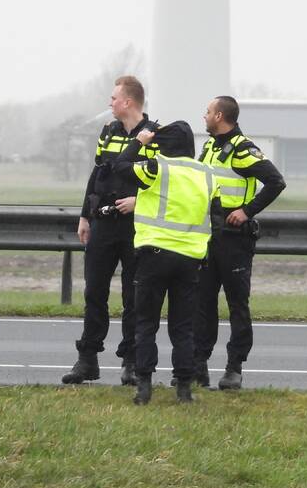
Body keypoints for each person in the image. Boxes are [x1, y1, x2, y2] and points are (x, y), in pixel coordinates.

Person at [107, 120, 222, 405]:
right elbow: (216, 215)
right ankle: (184, 389)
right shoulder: (208, 174)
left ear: (165, 146)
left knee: (146, 322)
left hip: (154, 256)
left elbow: (119, 166)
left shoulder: (158, 168)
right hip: (190, 259)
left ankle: (144, 386)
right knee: (183, 327)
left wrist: (140, 142)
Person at [61, 76, 160, 386]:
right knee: (94, 292)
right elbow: (97, 174)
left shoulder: (157, 135)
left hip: (137, 227)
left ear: (128, 102)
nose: (110, 103)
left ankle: (130, 362)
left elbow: (166, 182)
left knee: (134, 297)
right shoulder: (108, 132)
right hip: (103, 223)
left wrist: (140, 201)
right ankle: (87, 359)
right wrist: (84, 216)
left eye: (114, 98)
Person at [192, 96, 286, 390]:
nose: (204, 115)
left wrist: (247, 211)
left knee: (237, 305)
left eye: (207, 112)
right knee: (202, 304)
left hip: (234, 241)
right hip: (208, 236)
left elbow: (275, 182)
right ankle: (199, 366)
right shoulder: (208, 147)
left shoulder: (243, 149)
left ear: (219, 116)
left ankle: (234, 368)